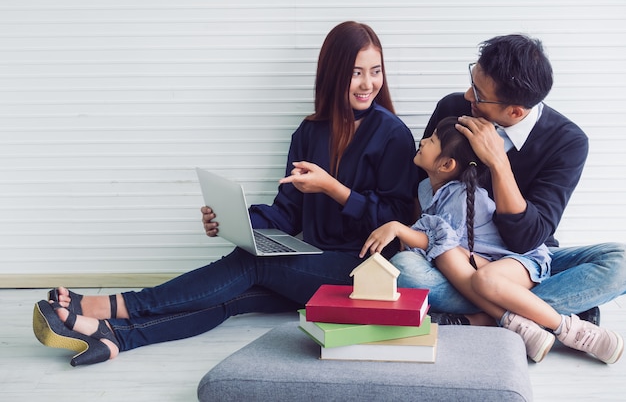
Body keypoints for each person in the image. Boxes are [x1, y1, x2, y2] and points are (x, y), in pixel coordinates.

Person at [32, 21, 420, 366]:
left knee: (253, 263)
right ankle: (116, 338)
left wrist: (335, 190)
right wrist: (236, 221)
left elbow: (396, 219)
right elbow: (288, 213)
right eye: (356, 73)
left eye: (375, 71)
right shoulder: (310, 132)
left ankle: (111, 306)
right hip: (312, 265)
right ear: (334, 74)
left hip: (363, 272)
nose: (368, 83)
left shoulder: (392, 135)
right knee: (232, 296)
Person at [390, 34, 626, 329]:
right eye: (472, 81)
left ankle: (483, 318)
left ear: (515, 111)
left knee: (621, 264)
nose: (467, 96)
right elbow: (421, 188)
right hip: (456, 258)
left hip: (526, 261)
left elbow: (527, 239)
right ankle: (545, 314)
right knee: (404, 269)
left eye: (478, 93)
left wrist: (498, 163)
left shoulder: (568, 141)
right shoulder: (454, 109)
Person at [361, 116, 623, 363]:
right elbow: (438, 244)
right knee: (416, 264)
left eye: (431, 140)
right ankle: (520, 315)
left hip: (519, 262)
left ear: (446, 164)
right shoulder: (424, 190)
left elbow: (437, 240)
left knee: (477, 274)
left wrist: (397, 228)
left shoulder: (458, 194)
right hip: (476, 267)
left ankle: (564, 327)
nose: (424, 141)